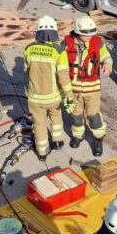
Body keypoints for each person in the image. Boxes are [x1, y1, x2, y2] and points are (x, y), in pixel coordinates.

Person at [24, 16, 74, 159]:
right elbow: (63, 77)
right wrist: (69, 96)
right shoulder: (58, 51)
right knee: (56, 118)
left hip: (35, 98)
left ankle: (42, 151)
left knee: (39, 124)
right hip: (53, 98)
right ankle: (57, 142)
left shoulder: (29, 49)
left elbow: (26, 70)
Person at [64, 16, 112, 156]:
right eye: (86, 34)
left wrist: (107, 66)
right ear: (78, 32)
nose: (89, 36)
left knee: (94, 116)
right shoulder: (66, 44)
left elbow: (106, 57)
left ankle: (98, 139)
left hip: (92, 89)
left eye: (91, 33)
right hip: (73, 90)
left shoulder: (97, 43)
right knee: (76, 115)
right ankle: (78, 136)